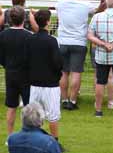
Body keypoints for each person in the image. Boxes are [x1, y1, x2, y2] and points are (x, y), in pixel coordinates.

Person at [25, 9, 63, 148]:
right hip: (50, 85)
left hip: (34, 83)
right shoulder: (52, 41)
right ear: (48, 22)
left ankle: (31, 143)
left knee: (32, 115)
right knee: (53, 116)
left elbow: (26, 60)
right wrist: (58, 75)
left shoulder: (30, 39)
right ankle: (55, 144)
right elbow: (57, 63)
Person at [55, 0, 94, 111]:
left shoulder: (61, 2)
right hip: (79, 43)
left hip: (63, 42)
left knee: (64, 72)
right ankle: (72, 101)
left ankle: (64, 99)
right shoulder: (85, 5)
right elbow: (96, 10)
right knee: (76, 72)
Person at [0, 6, 32, 137]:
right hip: (26, 75)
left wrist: (7, 65)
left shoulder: (2, 35)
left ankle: (10, 136)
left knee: (11, 107)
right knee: (28, 107)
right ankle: (28, 136)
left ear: (9, 19)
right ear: (24, 19)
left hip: (10, 73)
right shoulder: (29, 36)